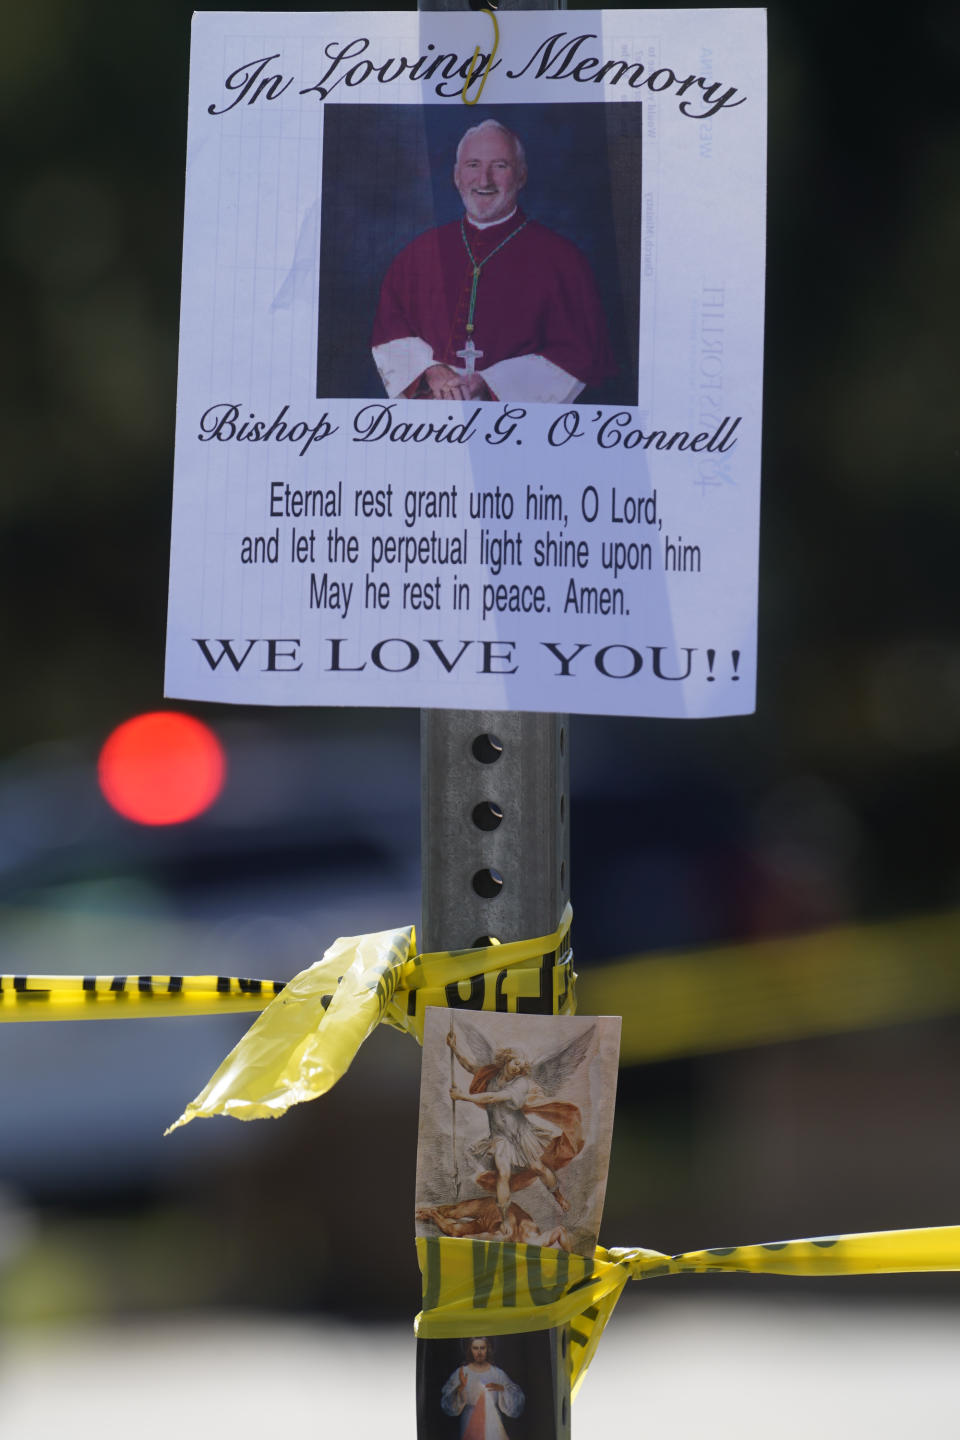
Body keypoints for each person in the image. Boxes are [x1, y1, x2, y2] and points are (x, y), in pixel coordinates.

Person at [372, 119, 615, 404]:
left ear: (521, 176)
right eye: (473, 165)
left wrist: (490, 382)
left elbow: (579, 354)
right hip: (431, 414)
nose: (484, 180)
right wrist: (429, 370)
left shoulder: (564, 260)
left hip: (518, 422)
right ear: (456, 176)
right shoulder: (417, 253)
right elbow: (389, 328)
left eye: (500, 166)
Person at [446, 1023, 594, 1218]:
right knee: (503, 1173)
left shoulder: (521, 1083)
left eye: (522, 1066)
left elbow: (493, 1098)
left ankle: (558, 1195)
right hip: (500, 1136)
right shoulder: (491, 1074)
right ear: (507, 1060)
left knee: (539, 1169)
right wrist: (454, 1048)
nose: (518, 1068)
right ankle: (504, 1219)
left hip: (521, 1134)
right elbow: (468, 1066)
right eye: (516, 1063)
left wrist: (464, 1097)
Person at [441, 1337, 524, 1440]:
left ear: (487, 1349)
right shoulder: (462, 1372)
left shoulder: (497, 1373)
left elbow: (516, 1399)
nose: (479, 1352)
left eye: (482, 1348)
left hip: (493, 1422)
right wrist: (460, 1387)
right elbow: (447, 1403)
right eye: (475, 1348)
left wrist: (501, 1388)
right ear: (470, 1349)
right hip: (470, 1422)